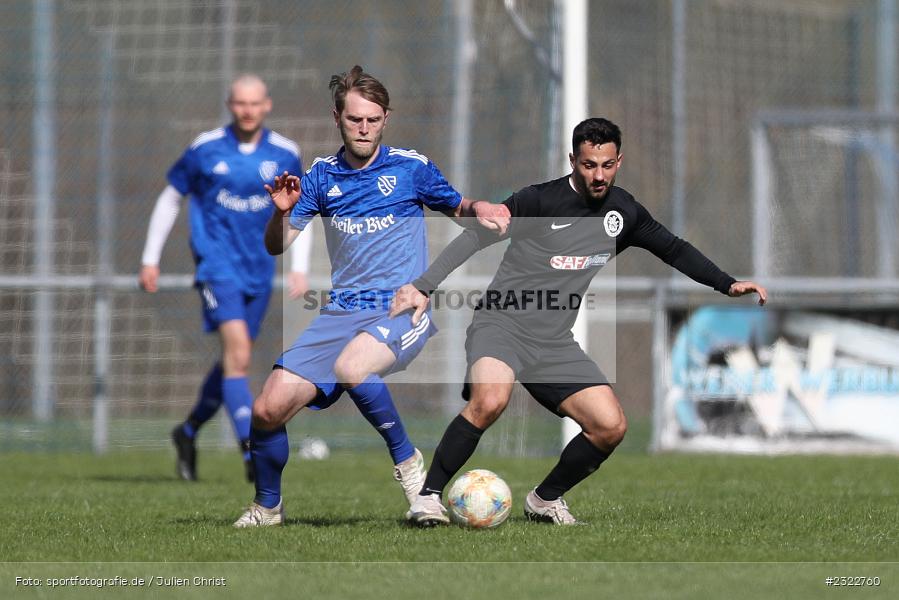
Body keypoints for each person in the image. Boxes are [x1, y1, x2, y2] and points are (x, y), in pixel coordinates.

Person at [391, 117, 768, 526]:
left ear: (619, 161)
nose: (599, 175)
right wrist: (423, 286)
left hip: (552, 342)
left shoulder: (623, 212)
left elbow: (673, 249)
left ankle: (544, 500)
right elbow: (473, 238)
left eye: (607, 164)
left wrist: (726, 284)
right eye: (589, 164)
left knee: (610, 426)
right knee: (490, 400)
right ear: (573, 160)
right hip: (501, 324)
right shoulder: (537, 201)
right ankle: (428, 498)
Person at [232, 66, 508, 527]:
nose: (364, 128)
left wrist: (479, 207)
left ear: (385, 119)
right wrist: (279, 215)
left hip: (401, 308)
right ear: (336, 118)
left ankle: (409, 468)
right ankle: (267, 508)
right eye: (355, 119)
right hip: (341, 313)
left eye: (373, 119)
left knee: (352, 367)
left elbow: (457, 207)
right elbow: (276, 245)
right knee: (267, 409)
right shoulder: (320, 177)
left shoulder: (409, 168)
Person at [139, 74, 312, 482]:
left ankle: (187, 432)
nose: (247, 110)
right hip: (216, 267)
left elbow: (298, 209)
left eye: (254, 103)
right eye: (239, 103)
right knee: (238, 354)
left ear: (266, 105)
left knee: (235, 360)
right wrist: (151, 258)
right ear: (229, 105)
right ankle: (251, 448)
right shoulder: (205, 148)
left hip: (259, 268)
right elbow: (170, 197)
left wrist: (299, 266)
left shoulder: (285, 152)